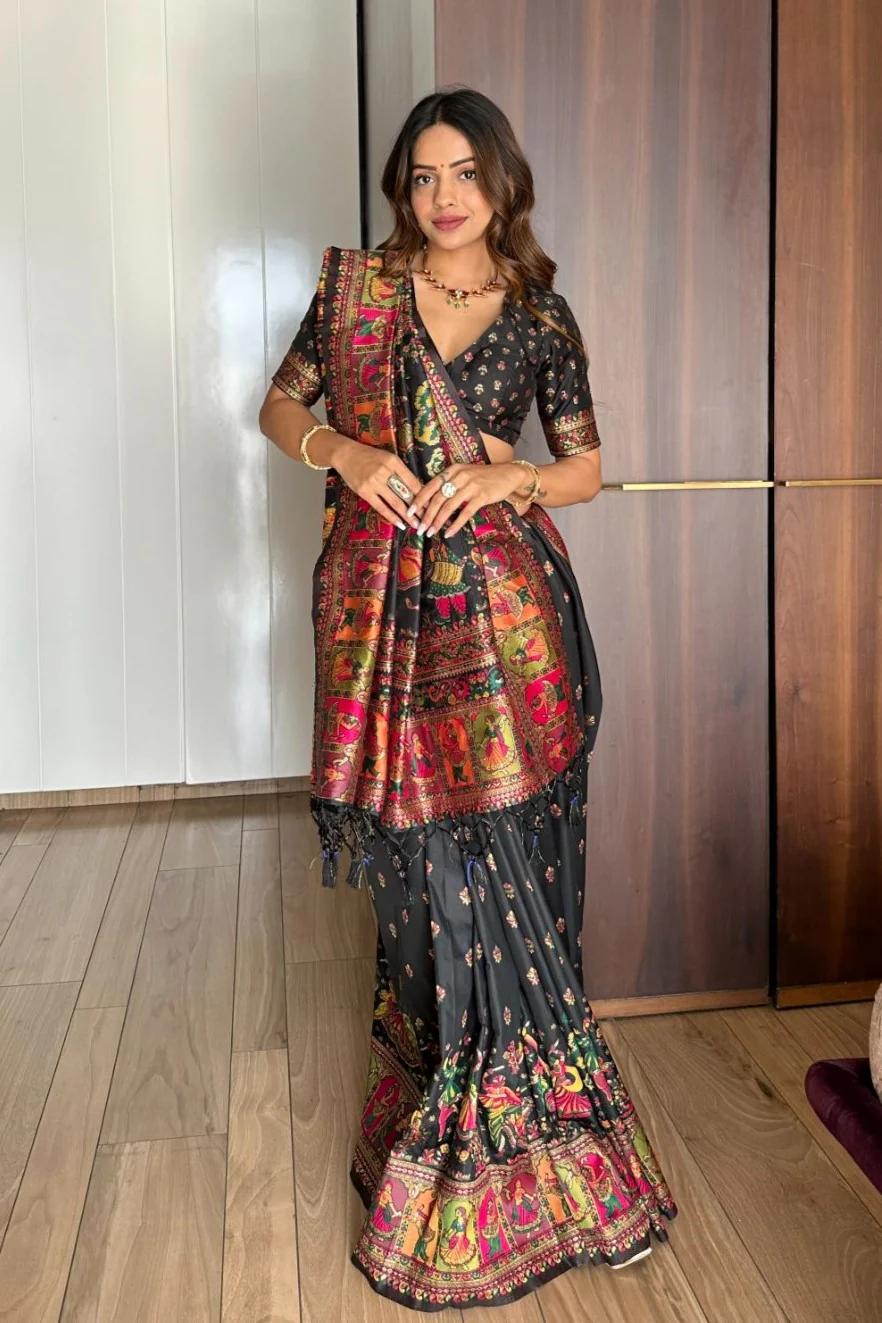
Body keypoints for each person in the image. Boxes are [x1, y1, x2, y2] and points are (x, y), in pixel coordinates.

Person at [259, 86, 678, 1313]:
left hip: (510, 632)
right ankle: (440, 1127)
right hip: (386, 629)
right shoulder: (358, 298)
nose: (444, 197)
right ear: (405, 190)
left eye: (464, 174)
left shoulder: (540, 313)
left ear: (502, 182)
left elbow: (586, 468)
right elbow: (278, 406)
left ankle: (560, 1163)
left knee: (515, 878)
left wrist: (513, 481)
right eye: (423, 177)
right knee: (423, 876)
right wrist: (345, 451)